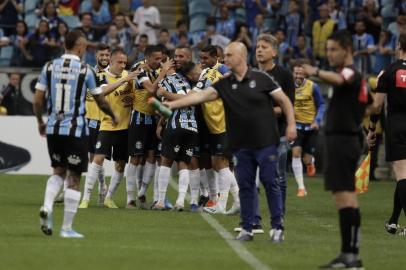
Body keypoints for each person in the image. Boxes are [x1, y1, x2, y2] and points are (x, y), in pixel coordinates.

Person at [164, 42, 296, 242]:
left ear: (242, 56)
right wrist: (173, 103)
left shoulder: (262, 79)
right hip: (241, 144)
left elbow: (285, 101)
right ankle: (247, 228)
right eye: (224, 55)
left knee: (270, 183)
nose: (225, 59)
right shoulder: (224, 83)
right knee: (245, 184)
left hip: (265, 141)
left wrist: (291, 125)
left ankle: (277, 227)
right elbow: (199, 97)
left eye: (229, 55)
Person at [33, 30, 117, 238]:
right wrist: (112, 115)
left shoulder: (49, 67)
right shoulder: (85, 70)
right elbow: (100, 100)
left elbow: (37, 100)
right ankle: (67, 228)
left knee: (58, 172)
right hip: (76, 129)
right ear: (79, 47)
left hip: (53, 128)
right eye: (85, 46)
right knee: (74, 178)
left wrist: (40, 122)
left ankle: (47, 206)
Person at [302, 30, 367, 268]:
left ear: (347, 50)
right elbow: (365, 104)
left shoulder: (350, 73)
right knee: (346, 197)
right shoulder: (353, 78)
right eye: (327, 49)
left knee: (345, 197)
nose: (329, 54)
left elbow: (341, 79)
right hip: (345, 140)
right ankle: (349, 254)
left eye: (333, 50)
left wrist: (315, 72)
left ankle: (350, 256)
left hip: (343, 141)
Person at [81, 48, 138, 209]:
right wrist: (123, 81)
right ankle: (85, 199)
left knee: (120, 165)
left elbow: (135, 97)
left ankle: (109, 197)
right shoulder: (102, 76)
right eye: (119, 62)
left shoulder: (130, 76)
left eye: (124, 63)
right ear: (111, 62)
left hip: (125, 127)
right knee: (97, 160)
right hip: (107, 125)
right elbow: (102, 92)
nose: (122, 65)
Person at [367, 33, 406, 236]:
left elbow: (377, 106)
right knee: (404, 178)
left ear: (398, 45)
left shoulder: (388, 71)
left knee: (402, 175)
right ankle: (393, 221)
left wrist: (372, 129)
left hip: (398, 124)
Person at [256, 33, 295, 214]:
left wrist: (265, 112)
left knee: (278, 176)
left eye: (264, 47)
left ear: (274, 53)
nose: (259, 50)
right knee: (250, 176)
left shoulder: (284, 75)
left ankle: (280, 212)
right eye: (257, 47)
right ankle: (251, 213)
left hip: (277, 132)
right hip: (253, 134)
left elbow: (288, 106)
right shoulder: (250, 74)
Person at [126, 45, 169, 209]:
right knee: (136, 157)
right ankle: (130, 198)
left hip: (154, 118)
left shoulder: (156, 71)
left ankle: (142, 193)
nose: (159, 62)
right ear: (148, 57)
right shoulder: (139, 68)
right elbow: (151, 89)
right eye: (156, 59)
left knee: (152, 156)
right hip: (139, 118)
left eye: (161, 59)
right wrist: (163, 72)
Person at [78, 43, 111, 208]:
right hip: (90, 120)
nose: (104, 58)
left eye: (107, 55)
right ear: (96, 56)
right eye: (101, 55)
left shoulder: (113, 74)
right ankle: (102, 187)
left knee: (98, 158)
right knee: (94, 159)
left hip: (105, 121)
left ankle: (101, 189)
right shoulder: (89, 72)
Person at [291, 61, 325, 197]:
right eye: (296, 73)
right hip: (296, 126)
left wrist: (317, 121)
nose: (298, 75)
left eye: (301, 73)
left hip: (311, 127)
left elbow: (322, 104)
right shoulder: (289, 87)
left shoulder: (313, 86)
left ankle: (311, 163)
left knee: (306, 159)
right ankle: (301, 188)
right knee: (296, 153)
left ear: (305, 74)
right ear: (293, 74)